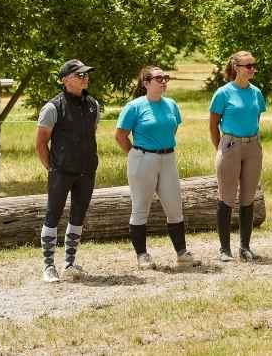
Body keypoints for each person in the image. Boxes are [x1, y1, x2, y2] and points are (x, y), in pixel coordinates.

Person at [114, 66, 199, 270]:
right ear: (146, 83)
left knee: (175, 207)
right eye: (158, 78)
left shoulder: (171, 105)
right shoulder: (134, 107)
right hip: (143, 159)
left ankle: (182, 254)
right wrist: (137, 155)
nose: (163, 81)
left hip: (168, 158)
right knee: (140, 208)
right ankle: (142, 256)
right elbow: (120, 136)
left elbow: (172, 128)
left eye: (165, 78)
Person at [35, 59, 100, 283]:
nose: (85, 78)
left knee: (78, 217)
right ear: (65, 80)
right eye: (79, 75)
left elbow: (90, 134)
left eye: (86, 74)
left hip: (86, 170)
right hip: (61, 172)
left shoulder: (93, 105)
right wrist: (52, 167)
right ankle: (48, 266)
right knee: (52, 215)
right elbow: (41, 143)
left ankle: (70, 263)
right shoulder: (53, 107)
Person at [209, 51, 266, 262]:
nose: (252, 69)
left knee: (248, 197)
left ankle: (245, 247)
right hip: (230, 145)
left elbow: (256, 117)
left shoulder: (256, 93)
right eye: (248, 65)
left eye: (253, 65)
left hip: (252, 146)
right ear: (236, 68)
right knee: (226, 196)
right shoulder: (223, 93)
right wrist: (222, 148)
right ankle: (224, 249)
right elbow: (213, 125)